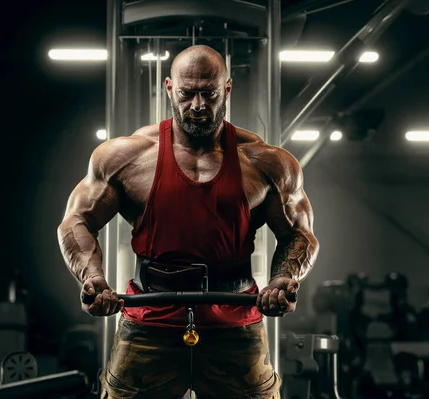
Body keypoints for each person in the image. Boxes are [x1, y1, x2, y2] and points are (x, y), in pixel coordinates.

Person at [57, 44, 319, 399]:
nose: (197, 105)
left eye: (209, 93)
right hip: (150, 319)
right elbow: (77, 220)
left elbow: (299, 233)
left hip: (235, 321)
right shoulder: (126, 156)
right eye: (187, 93)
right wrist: (93, 279)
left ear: (227, 88)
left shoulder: (267, 163)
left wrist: (284, 278)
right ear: (169, 88)